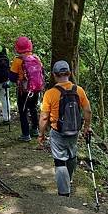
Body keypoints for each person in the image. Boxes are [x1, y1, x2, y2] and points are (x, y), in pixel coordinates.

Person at [38, 60, 92, 196]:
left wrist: (41, 134)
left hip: (58, 132)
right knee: (71, 154)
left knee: (60, 161)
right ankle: (70, 179)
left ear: (54, 75)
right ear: (69, 73)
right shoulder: (79, 90)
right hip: (74, 130)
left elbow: (44, 117)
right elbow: (87, 111)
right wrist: (87, 127)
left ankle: (64, 192)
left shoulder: (50, 93)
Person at [9, 36, 45, 141]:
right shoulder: (36, 58)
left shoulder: (17, 60)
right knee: (33, 108)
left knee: (23, 111)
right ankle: (35, 129)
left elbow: (12, 77)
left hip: (23, 90)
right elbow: (42, 73)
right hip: (36, 89)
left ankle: (25, 134)